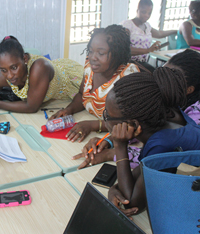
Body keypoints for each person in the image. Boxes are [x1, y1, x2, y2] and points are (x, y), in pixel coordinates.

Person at [76, 48, 200, 169]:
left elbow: (156, 158)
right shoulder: (164, 98)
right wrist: (110, 140)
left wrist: (113, 153)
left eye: (169, 79)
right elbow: (143, 122)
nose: (159, 82)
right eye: (161, 74)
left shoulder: (194, 116)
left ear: (189, 89)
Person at [103, 67, 200, 216]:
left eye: (107, 116)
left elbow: (132, 204)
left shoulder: (162, 144)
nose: (105, 121)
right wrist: (115, 188)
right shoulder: (170, 113)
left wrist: (120, 146)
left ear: (134, 125)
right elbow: (142, 172)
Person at [49, 24, 140, 142]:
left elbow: (128, 121)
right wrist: (68, 110)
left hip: (113, 139)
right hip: (85, 123)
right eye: (90, 51)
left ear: (118, 54)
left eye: (101, 53)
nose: (93, 57)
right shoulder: (90, 68)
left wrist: (92, 125)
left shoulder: (127, 77)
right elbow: (82, 95)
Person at [0, 35, 85, 120]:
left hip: (71, 82)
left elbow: (31, 107)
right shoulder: (5, 75)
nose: (9, 75)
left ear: (25, 59)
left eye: (14, 67)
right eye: (3, 70)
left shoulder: (39, 68)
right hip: (56, 101)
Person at [120, 0, 177, 72]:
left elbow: (159, 34)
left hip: (141, 64)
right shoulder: (127, 25)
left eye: (149, 13)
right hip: (127, 64)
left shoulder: (147, 26)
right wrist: (148, 50)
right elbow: (124, 49)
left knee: (159, 73)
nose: (146, 15)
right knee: (155, 75)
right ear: (137, 10)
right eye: (143, 12)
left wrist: (176, 31)